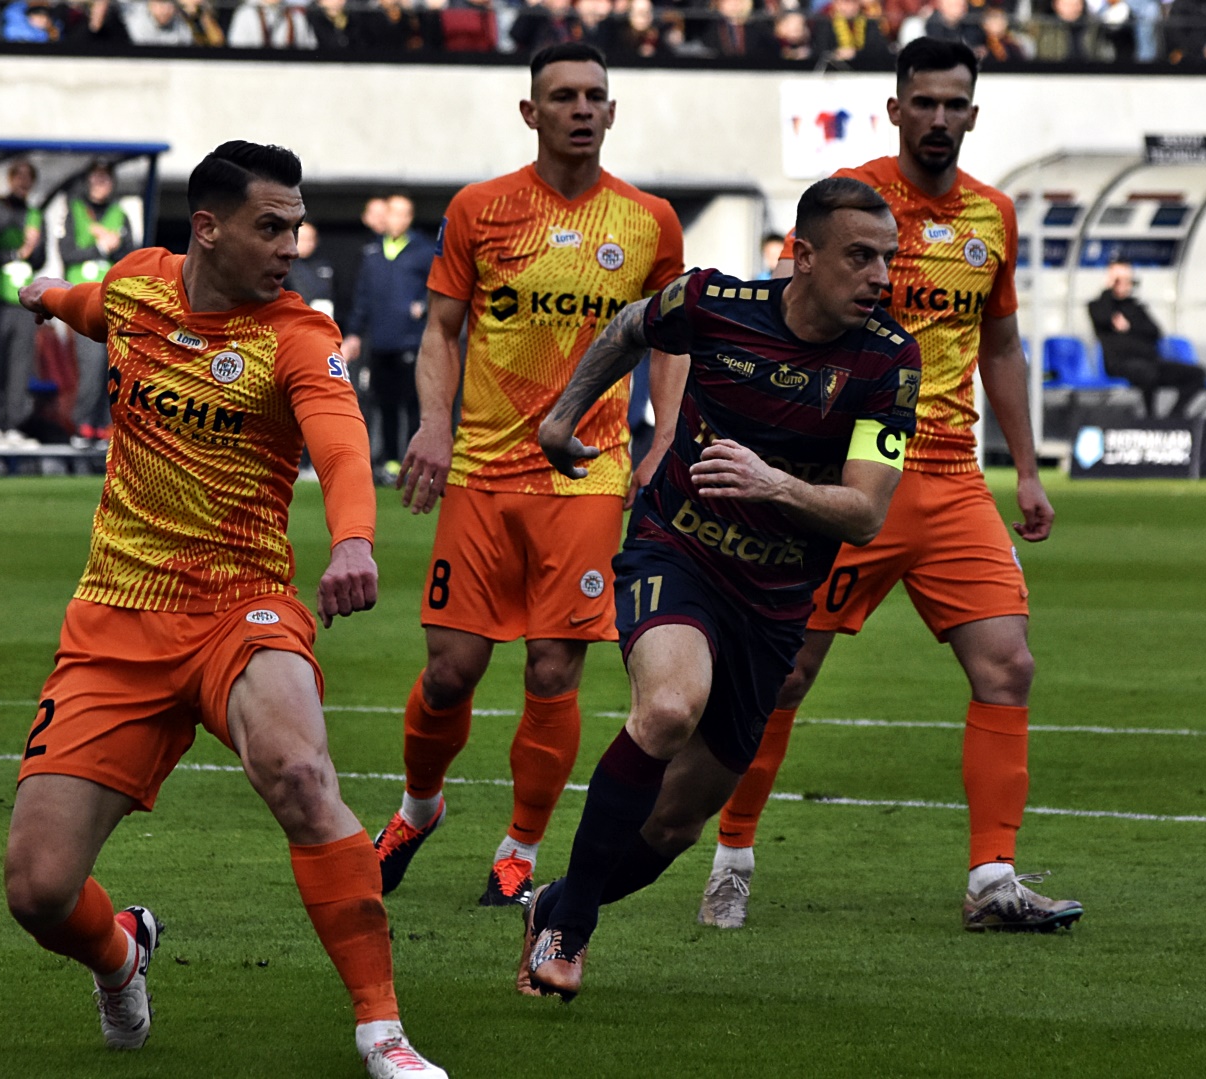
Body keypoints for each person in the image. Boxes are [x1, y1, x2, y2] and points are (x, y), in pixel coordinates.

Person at [6, 140, 446, 1079]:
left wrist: (355, 540)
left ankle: (383, 1030)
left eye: (297, 227)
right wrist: (46, 294)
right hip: (115, 615)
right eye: (272, 227)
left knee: (300, 772)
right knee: (38, 890)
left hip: (242, 608)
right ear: (207, 228)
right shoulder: (138, 286)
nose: (292, 246)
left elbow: (341, 445)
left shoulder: (299, 335)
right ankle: (122, 952)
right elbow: (93, 306)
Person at [697, 38, 1079, 934]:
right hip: (850, 474)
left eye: (955, 103)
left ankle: (993, 878)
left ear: (973, 113)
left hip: (950, 477)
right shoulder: (852, 204)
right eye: (925, 102)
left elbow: (1000, 346)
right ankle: (732, 857)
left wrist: (1026, 469)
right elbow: (789, 312)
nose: (940, 118)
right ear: (896, 109)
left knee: (1008, 664)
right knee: (786, 674)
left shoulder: (993, 214)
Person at [519, 175, 921, 1001]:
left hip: (774, 602)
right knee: (669, 707)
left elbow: (865, 513)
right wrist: (563, 416)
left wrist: (774, 484)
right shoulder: (715, 301)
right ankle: (569, 930)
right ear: (802, 255)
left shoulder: (888, 359)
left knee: (675, 822)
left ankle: (557, 901)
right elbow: (631, 326)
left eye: (888, 257)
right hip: (678, 552)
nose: (880, 276)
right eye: (859, 256)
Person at [373, 44, 686, 910]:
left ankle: (517, 851)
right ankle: (418, 807)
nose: (581, 109)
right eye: (563, 96)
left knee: (553, 668)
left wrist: (663, 437)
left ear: (611, 112)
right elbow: (441, 330)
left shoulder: (650, 220)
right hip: (481, 469)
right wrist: (433, 424)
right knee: (450, 671)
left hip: (585, 474)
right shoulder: (480, 209)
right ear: (530, 111)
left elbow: (672, 338)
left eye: (594, 96)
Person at [343, 194, 433, 466]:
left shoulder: (424, 251)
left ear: (410, 217)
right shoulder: (372, 252)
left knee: (414, 403)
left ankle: (414, 459)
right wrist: (354, 333)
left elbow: (438, 287)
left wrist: (423, 306)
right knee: (385, 402)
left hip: (412, 340)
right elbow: (362, 297)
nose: (398, 219)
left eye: (404, 213)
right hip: (380, 340)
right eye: (393, 213)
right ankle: (391, 460)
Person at [60, 161, 133, 447]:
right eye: (96, 179)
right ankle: (82, 424)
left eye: (105, 179)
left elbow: (131, 256)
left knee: (112, 366)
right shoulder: (74, 211)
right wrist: (101, 247)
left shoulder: (119, 214)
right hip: (84, 299)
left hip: (113, 301)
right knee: (89, 365)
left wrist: (116, 246)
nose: (100, 185)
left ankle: (104, 425)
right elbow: (67, 253)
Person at [1088, 261, 1206, 418]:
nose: (1125, 285)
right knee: (1146, 373)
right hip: (1121, 364)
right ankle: (1150, 417)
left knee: (1197, 374)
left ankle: (1175, 415)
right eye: (1119, 280)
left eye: (1129, 280)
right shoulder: (1098, 305)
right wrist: (1109, 289)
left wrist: (1130, 326)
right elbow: (1102, 318)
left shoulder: (1136, 308)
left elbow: (1155, 331)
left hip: (1150, 361)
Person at [0, 160, 49, 447]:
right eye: (19, 176)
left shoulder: (35, 214)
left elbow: (40, 259)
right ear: (10, 178)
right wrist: (19, 250)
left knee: (19, 367)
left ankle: (12, 425)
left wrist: (33, 248)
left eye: (28, 177)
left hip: (23, 304)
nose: (23, 182)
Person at [286, 221, 338, 318]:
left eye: (310, 239)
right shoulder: (281, 267)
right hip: (293, 319)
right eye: (302, 239)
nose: (307, 243)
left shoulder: (325, 264)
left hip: (323, 319)